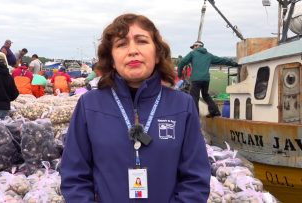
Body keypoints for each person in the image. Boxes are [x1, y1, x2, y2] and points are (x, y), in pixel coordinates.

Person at [60, 13, 210, 203]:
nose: (132, 51)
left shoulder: (183, 105)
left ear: (157, 54)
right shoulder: (89, 105)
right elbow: (74, 176)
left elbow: (196, 179)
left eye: (141, 41)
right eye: (121, 44)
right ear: (112, 59)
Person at [178, 40, 239, 117]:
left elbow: (182, 62)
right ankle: (215, 111)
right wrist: (234, 64)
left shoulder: (192, 54)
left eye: (194, 47)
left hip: (196, 80)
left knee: (194, 97)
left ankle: (195, 117)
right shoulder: (209, 55)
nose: (193, 48)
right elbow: (222, 60)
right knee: (205, 95)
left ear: (198, 46)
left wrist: (179, 73)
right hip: (206, 80)